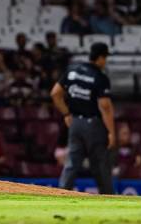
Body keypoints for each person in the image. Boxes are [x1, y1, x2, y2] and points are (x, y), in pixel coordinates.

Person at [51, 42, 115, 194]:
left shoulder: (72, 70)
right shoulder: (100, 77)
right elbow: (105, 106)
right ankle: (109, 198)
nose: (105, 62)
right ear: (100, 58)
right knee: (100, 164)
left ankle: (61, 194)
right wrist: (111, 132)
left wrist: (66, 113)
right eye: (105, 58)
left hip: (75, 123)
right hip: (93, 124)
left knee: (72, 162)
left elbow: (55, 94)